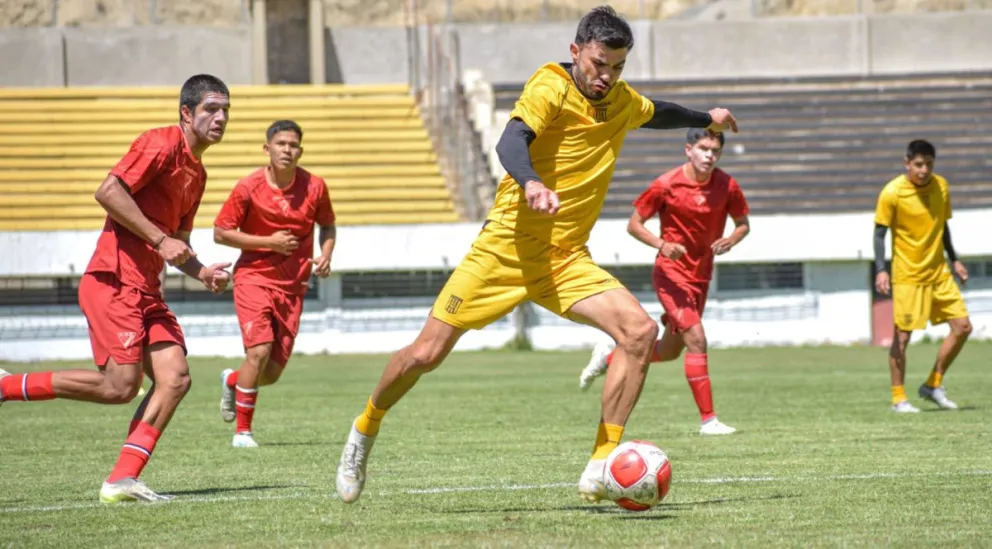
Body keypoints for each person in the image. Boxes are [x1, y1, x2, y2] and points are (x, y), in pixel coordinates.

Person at [333, 5, 739, 505]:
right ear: (575, 53)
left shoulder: (620, 99)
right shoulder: (550, 86)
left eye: (616, 67)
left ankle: (599, 465)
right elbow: (512, 138)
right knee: (425, 354)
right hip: (505, 250)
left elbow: (658, 113)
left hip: (565, 258)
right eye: (597, 64)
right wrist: (530, 183)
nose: (606, 77)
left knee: (639, 332)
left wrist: (708, 118)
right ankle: (363, 431)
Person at [0, 74, 232, 503]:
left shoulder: (197, 175)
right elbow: (108, 191)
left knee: (175, 378)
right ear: (186, 113)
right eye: (211, 109)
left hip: (146, 291)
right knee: (119, 387)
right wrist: (161, 240)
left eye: (226, 111)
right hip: (113, 282)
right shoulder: (161, 143)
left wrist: (202, 273)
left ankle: (121, 479)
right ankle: (5, 388)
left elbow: (178, 243)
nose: (221, 118)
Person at [578, 129, 750, 436]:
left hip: (701, 277)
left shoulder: (727, 185)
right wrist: (661, 245)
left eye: (715, 151)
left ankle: (608, 356)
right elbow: (634, 224)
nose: (709, 155)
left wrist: (731, 239)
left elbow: (743, 225)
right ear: (688, 149)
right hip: (670, 275)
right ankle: (708, 420)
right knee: (696, 336)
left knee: (671, 351)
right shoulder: (666, 184)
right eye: (703, 148)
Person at [213, 120, 336, 448]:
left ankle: (233, 381)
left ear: (301, 151)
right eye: (280, 144)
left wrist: (325, 255)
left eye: (293, 145)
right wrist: (268, 242)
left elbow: (328, 225)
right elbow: (221, 232)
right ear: (267, 149)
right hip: (253, 279)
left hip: (293, 286)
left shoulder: (315, 187)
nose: (287, 150)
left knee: (271, 372)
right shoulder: (248, 187)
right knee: (259, 351)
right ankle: (243, 432)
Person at [873, 139, 972, 413]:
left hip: (939, 272)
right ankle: (898, 398)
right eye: (918, 164)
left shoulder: (941, 186)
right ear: (907, 163)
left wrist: (955, 259)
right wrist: (881, 268)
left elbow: (942, 226)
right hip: (908, 275)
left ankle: (933, 384)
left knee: (963, 327)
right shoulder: (892, 192)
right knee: (902, 338)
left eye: (929, 164)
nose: (924, 170)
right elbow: (880, 233)